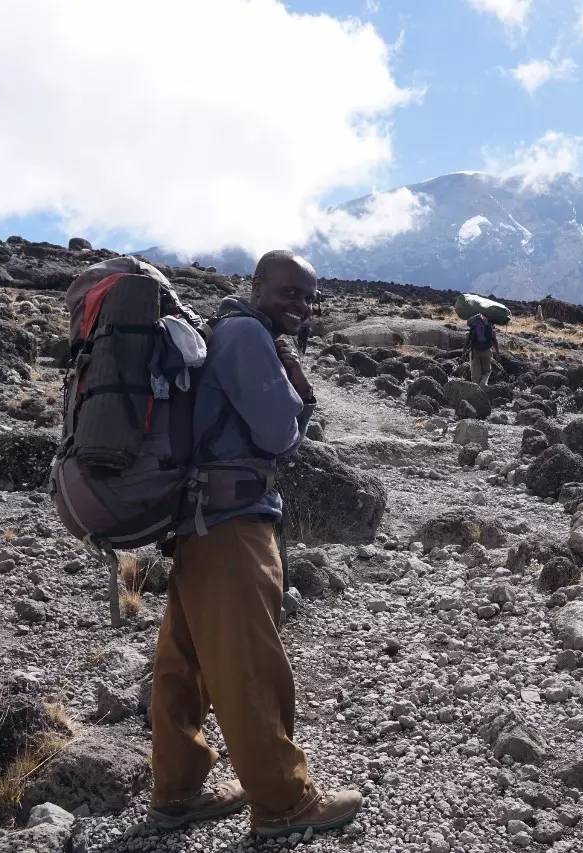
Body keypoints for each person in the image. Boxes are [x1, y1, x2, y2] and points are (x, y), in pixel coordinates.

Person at [146, 250, 362, 839]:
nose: (301, 306)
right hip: (234, 522)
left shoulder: (230, 329)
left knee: (183, 662)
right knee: (250, 664)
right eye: (289, 292)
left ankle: (177, 791)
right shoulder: (245, 335)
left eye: (309, 297)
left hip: (198, 519)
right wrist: (301, 399)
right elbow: (276, 433)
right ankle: (284, 802)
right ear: (258, 285)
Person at [465, 311, 499, 385]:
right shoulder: (490, 323)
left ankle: (477, 389)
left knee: (475, 376)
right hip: (486, 351)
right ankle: (483, 384)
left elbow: (468, 336)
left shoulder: (474, 322)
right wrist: (497, 352)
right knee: (487, 371)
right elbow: (494, 340)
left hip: (474, 351)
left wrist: (464, 350)